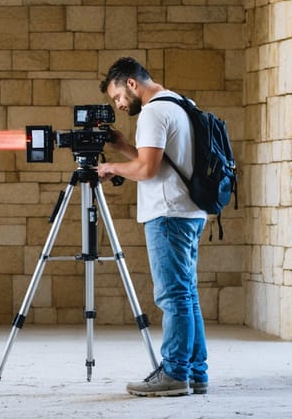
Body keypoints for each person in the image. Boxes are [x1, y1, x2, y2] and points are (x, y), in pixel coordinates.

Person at [96, 56, 209, 397]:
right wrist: (123, 147)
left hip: (168, 215)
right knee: (187, 294)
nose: (118, 104)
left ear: (132, 83)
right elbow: (157, 161)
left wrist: (111, 168)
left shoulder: (152, 113)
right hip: (190, 211)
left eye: (117, 96)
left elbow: (146, 171)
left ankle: (174, 373)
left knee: (174, 296)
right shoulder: (180, 103)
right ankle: (195, 372)